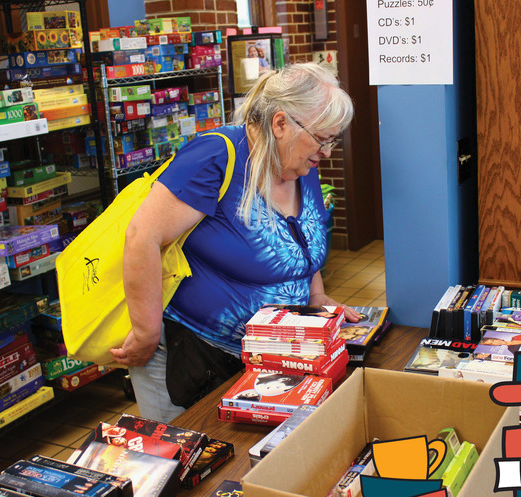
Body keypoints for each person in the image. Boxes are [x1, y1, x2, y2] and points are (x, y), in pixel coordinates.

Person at [111, 62, 360, 423]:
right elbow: (142, 238)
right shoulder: (215, 157)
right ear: (280, 124)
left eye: (332, 140)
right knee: (195, 461)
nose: (327, 151)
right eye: (322, 139)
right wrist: (146, 332)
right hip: (194, 358)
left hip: (269, 357)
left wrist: (316, 298)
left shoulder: (300, 166)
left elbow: (303, 239)